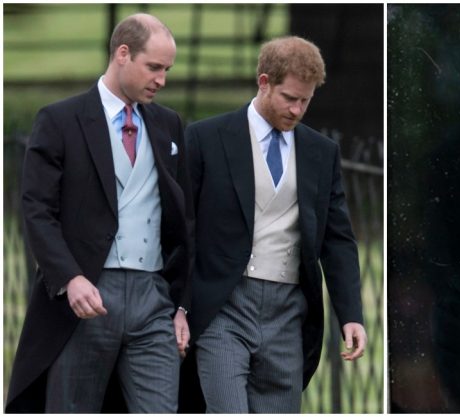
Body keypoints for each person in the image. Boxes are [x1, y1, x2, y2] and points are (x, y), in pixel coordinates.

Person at [5, 13, 192, 413]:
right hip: (86, 298)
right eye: (154, 67)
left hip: (153, 299)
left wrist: (180, 303)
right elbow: (37, 209)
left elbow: (183, 217)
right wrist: (70, 278)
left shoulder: (168, 124)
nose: (162, 79)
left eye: (167, 70)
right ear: (122, 54)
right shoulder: (59, 120)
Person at [184, 35, 367, 413]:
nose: (298, 110)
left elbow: (338, 240)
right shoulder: (205, 138)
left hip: (288, 313)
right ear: (264, 82)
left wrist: (351, 314)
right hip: (224, 306)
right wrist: (181, 306)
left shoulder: (321, 152)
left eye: (306, 100)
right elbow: (183, 227)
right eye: (289, 98)